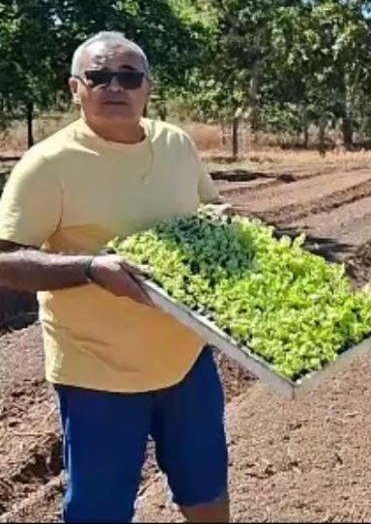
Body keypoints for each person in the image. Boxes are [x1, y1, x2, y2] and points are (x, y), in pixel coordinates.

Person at [0, 32, 230, 523]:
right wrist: (90, 269)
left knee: (207, 494)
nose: (115, 87)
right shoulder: (47, 164)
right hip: (97, 374)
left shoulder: (175, 144)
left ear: (148, 87)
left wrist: (233, 230)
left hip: (186, 360)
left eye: (128, 77)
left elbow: (212, 212)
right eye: (99, 76)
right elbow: (5, 260)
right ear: (74, 89)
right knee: (99, 511)